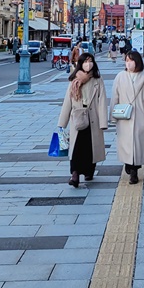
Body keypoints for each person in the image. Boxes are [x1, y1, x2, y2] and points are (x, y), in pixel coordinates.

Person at [58, 53, 108, 187]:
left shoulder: (97, 79)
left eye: (90, 61)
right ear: (80, 63)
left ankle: (89, 171)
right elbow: (67, 101)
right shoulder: (74, 80)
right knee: (76, 148)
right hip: (78, 118)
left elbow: (102, 100)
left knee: (91, 147)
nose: (88, 64)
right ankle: (74, 175)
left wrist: (104, 122)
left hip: (93, 118)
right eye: (85, 61)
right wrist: (62, 123)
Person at [110, 51, 144, 185]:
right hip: (124, 116)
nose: (128, 63)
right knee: (126, 144)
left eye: (131, 60)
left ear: (137, 62)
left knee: (138, 145)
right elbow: (115, 97)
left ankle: (134, 171)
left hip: (140, 117)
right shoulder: (120, 77)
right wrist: (112, 117)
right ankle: (128, 164)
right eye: (126, 60)